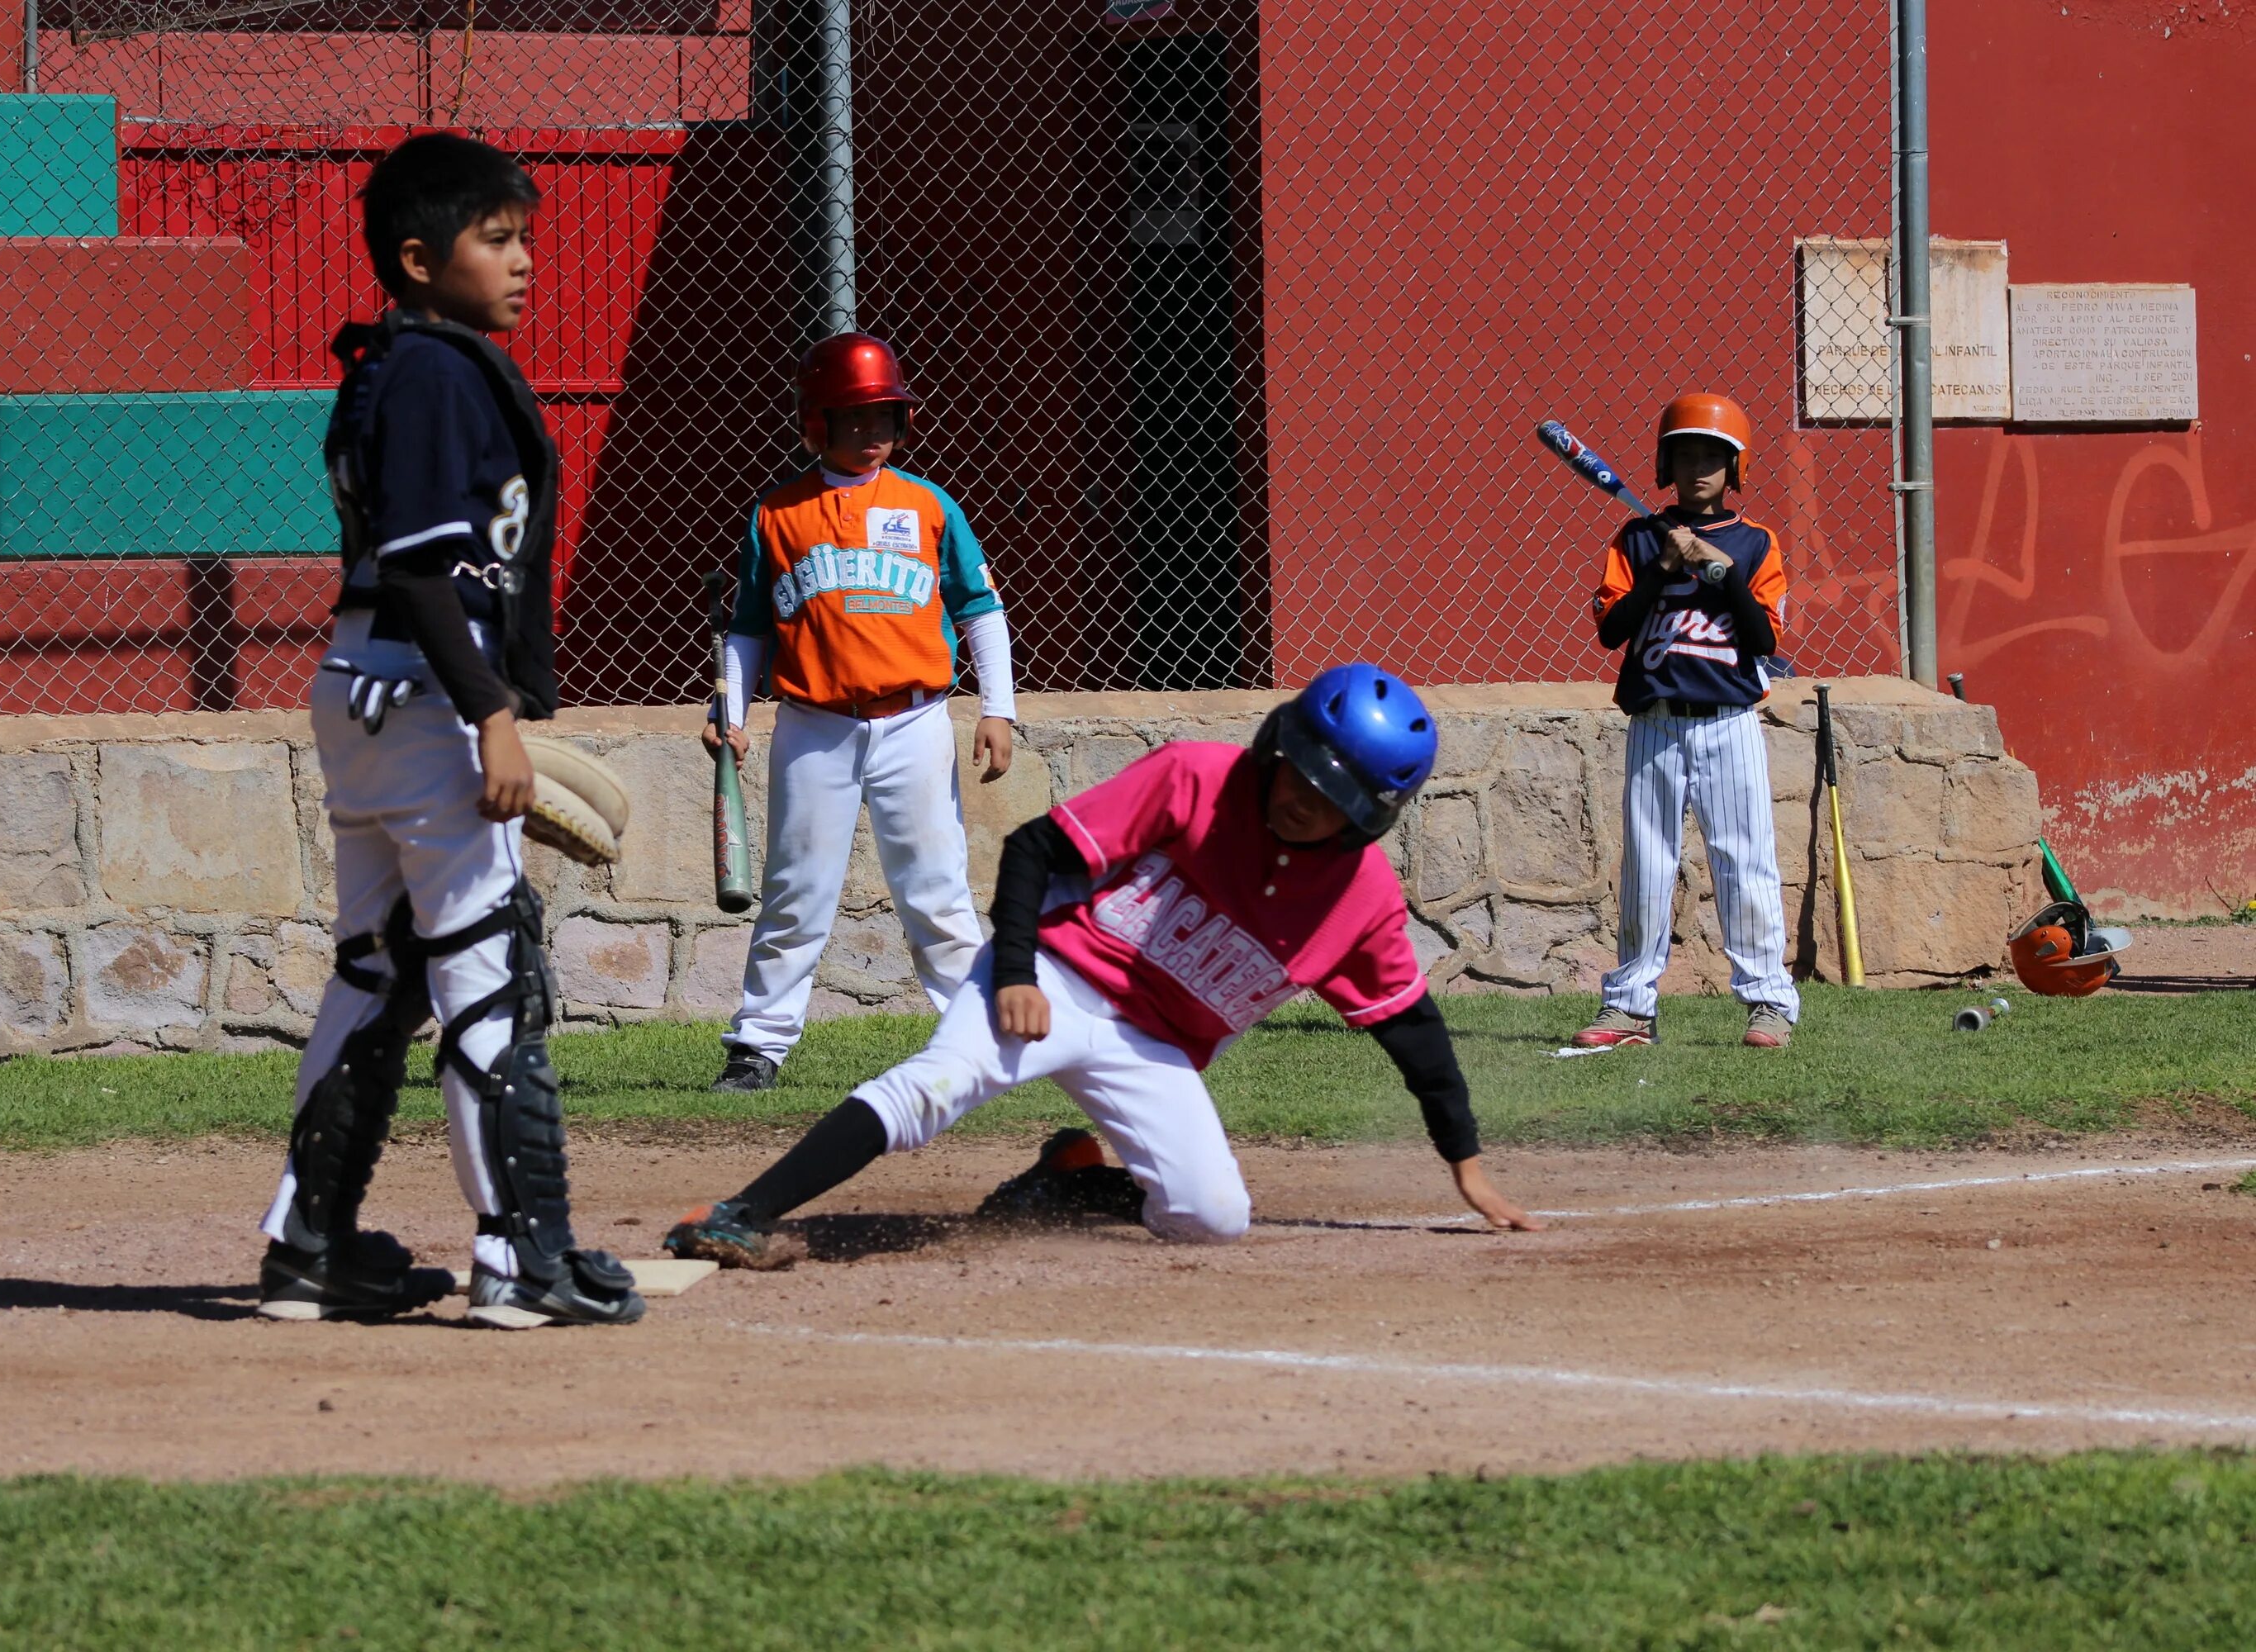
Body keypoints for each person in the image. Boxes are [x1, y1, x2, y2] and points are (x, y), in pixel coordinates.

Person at [663, 664, 1542, 1269]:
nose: (1298, 801)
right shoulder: (1198, 777)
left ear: (1373, 814)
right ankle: (743, 1213)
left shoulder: (1361, 901)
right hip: (1051, 973)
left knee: (1213, 1218)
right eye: (1297, 774)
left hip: (1152, 1043)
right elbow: (1034, 849)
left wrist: (1465, 1162)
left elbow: (1414, 1032)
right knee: (936, 1084)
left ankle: (1074, 1176)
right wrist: (1010, 971)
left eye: (1330, 799)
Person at [254, 133, 645, 1328]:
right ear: (420, 260)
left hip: (367, 682)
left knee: (376, 975)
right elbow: (428, 570)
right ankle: (523, 1259)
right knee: (491, 974)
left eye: (524, 235)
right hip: (425, 695)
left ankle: (309, 1246)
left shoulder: (399, 363)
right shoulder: (429, 371)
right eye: (497, 238)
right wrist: (493, 717)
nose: (524, 261)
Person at [701, 333, 1018, 1091]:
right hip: (814, 725)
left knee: (936, 889)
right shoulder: (778, 513)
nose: (876, 432)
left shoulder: (925, 503)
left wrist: (998, 709)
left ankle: (974, 1043)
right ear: (818, 422)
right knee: (795, 891)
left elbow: (980, 608)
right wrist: (733, 710)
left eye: (887, 417)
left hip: (915, 721)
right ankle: (758, 1046)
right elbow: (746, 625)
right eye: (857, 417)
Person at [1574, 393, 1799, 1051]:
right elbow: (1611, 632)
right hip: (1655, 721)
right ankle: (1630, 1008)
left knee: (1744, 862)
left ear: (1736, 469)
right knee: (1647, 866)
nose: (1699, 466)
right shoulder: (1638, 538)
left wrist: (1723, 574)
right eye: (1686, 453)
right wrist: (1666, 566)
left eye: (1713, 455)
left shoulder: (1757, 543)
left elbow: (1763, 641)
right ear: (1666, 464)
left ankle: (1768, 1003)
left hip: (1729, 720)